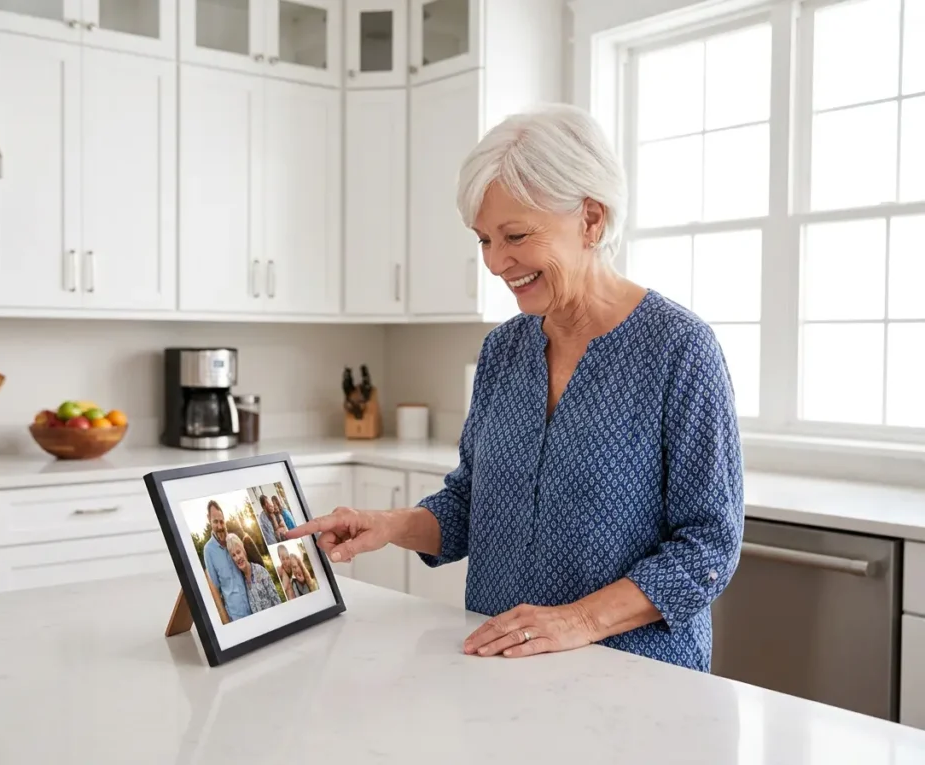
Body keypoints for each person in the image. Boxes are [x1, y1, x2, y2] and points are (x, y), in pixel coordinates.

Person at [286, 103, 744, 673]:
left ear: (592, 220)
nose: (497, 262)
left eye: (516, 235)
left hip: (636, 676)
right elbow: (471, 504)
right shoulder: (504, 350)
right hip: (500, 666)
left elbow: (708, 548)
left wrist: (575, 620)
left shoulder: (679, 350)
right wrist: (390, 526)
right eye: (483, 239)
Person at [202, 500, 252, 621]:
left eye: (221, 521)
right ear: (209, 519)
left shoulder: (233, 541)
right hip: (235, 615)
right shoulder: (208, 550)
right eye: (215, 522)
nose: (219, 526)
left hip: (253, 605)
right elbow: (215, 585)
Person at [225, 532, 283, 613]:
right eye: (233, 555)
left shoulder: (260, 571)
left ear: (244, 551)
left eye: (238, 552)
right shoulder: (242, 582)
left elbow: (276, 600)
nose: (237, 558)